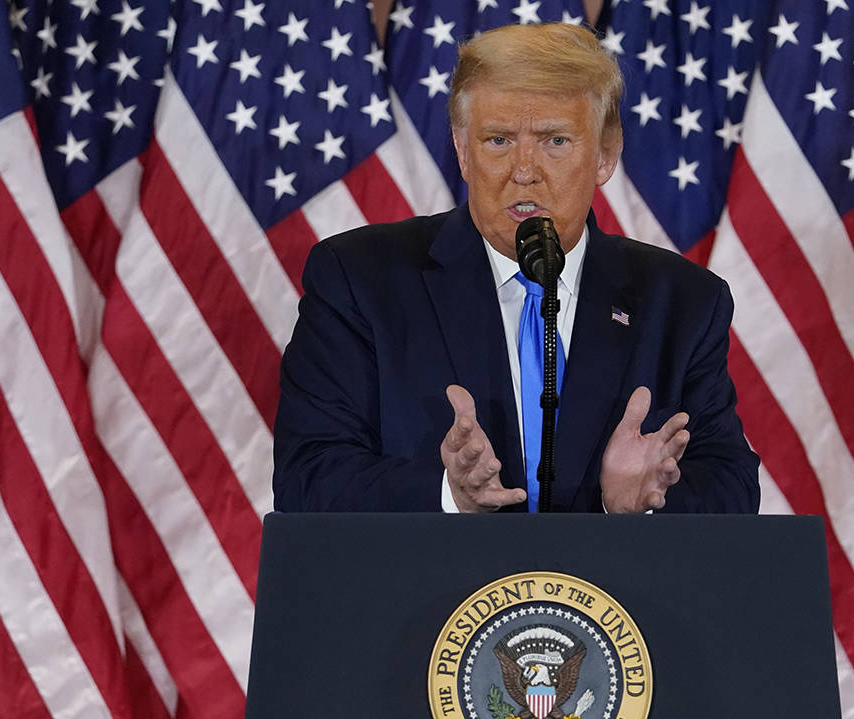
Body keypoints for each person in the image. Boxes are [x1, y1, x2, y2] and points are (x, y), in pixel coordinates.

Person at [273, 23, 760, 514]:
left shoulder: (681, 302)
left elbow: (730, 486)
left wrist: (640, 505)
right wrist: (448, 494)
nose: (523, 170)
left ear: (605, 155)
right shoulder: (359, 280)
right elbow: (307, 476)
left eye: (555, 141)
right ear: (463, 151)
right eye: (499, 139)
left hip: (609, 591)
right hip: (431, 587)